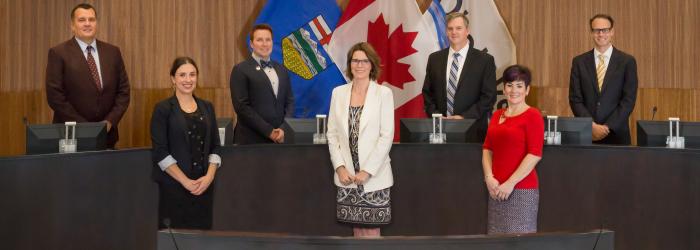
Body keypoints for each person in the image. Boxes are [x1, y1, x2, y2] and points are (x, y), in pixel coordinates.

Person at [327, 42, 394, 237]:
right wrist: (339, 167)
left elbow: (386, 136)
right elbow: (332, 134)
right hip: (347, 177)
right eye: (355, 60)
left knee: (371, 231)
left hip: (374, 177)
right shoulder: (338, 93)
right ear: (349, 64)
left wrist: (367, 171)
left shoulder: (383, 94)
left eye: (364, 61)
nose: (359, 65)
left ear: (372, 65)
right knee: (356, 229)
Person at [45, 3, 130, 149]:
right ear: (72, 25)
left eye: (91, 19)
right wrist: (85, 127)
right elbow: (55, 96)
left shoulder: (113, 52)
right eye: (82, 20)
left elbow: (123, 91)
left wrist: (109, 121)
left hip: (107, 135)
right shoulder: (58, 53)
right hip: (72, 135)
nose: (87, 24)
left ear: (96, 23)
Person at [150, 57, 222, 229]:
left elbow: (216, 146)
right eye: (182, 75)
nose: (188, 80)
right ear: (173, 79)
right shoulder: (163, 109)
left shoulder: (207, 107)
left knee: (202, 240)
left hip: (204, 187)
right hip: (174, 187)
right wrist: (185, 181)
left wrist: (209, 178)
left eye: (192, 74)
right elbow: (160, 152)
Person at [482, 65, 544, 234]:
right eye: (509, 85)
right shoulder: (496, 115)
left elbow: (534, 154)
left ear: (527, 90)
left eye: (519, 85)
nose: (513, 90)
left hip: (521, 190)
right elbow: (487, 148)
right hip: (495, 190)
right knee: (496, 243)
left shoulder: (533, 115)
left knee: (520, 243)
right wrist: (489, 178)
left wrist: (509, 184)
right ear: (504, 88)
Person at [422, 12, 496, 142]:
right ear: (446, 31)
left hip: (473, 130)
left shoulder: (484, 60)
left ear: (467, 31)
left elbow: (489, 97)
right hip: (440, 131)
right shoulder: (434, 59)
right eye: (450, 28)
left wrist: (463, 118)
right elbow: (427, 93)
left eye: (458, 28)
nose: (454, 32)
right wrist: (437, 116)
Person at [569, 14, 638, 145]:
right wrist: (591, 126)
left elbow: (628, 100)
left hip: (617, 135)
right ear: (591, 33)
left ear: (612, 32)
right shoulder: (579, 62)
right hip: (587, 134)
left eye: (605, 30)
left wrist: (607, 127)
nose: (601, 34)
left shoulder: (627, 62)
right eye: (596, 30)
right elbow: (575, 99)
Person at [229, 24, 294, 144]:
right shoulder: (240, 69)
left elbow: (289, 102)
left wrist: (284, 128)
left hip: (279, 140)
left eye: (268, 40)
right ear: (251, 44)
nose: (264, 44)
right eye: (259, 40)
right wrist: (269, 131)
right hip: (250, 141)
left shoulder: (282, 70)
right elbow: (241, 107)